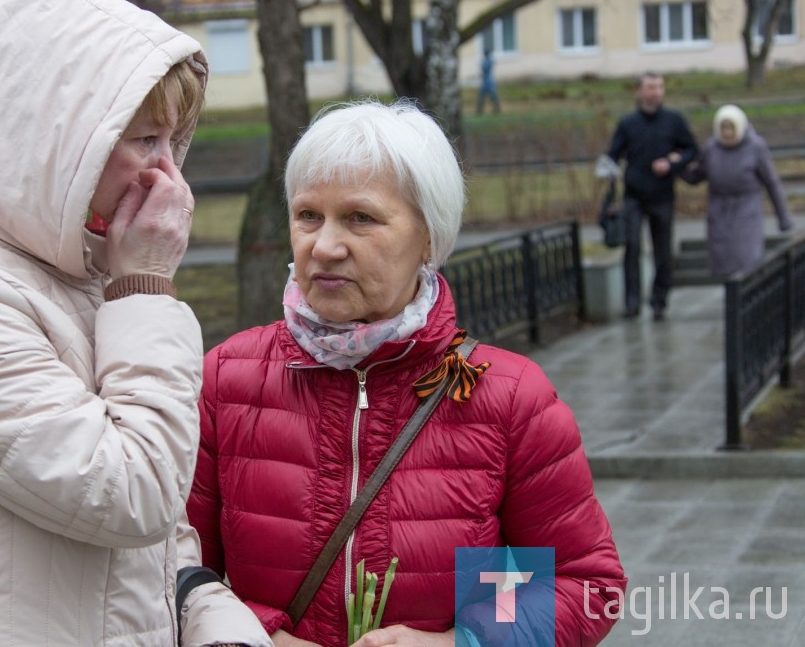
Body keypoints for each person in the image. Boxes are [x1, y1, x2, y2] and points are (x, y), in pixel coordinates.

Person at [0, 0, 269, 645]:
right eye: (144, 139)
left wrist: (215, 620)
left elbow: (159, 543)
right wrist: (144, 284)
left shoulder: (78, 272)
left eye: (175, 140)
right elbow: (136, 492)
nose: (169, 177)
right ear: (54, 140)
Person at [187, 99, 627, 647]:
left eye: (360, 218)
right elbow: (174, 573)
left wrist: (460, 641)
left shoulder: (509, 398)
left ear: (428, 237)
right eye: (308, 216)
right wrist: (259, 637)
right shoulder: (226, 381)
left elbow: (585, 584)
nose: (324, 246)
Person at [601, 71, 698, 320]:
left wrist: (672, 162)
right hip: (633, 195)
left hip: (663, 194)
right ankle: (631, 303)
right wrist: (608, 173)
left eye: (659, 87)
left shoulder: (674, 121)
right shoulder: (628, 123)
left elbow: (691, 150)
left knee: (663, 251)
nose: (655, 92)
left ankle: (659, 302)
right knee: (631, 247)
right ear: (639, 91)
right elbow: (612, 155)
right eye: (650, 87)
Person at [680, 104, 794, 277]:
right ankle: (731, 299)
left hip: (746, 209)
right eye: (723, 127)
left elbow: (772, 182)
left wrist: (783, 217)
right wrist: (677, 166)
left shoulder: (755, 147)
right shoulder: (712, 148)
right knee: (724, 261)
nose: (727, 133)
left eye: (731, 127)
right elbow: (697, 176)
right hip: (719, 210)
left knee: (746, 258)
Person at [475, 48, 500, 115]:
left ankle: (496, 109)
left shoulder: (488, 60)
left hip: (488, 80)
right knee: (482, 95)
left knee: (492, 95)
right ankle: (480, 110)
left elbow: (485, 68)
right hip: (486, 80)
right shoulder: (486, 60)